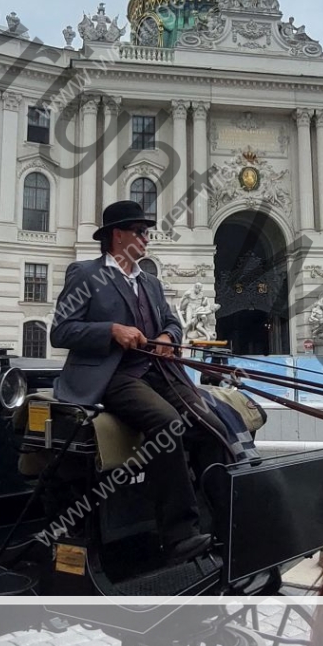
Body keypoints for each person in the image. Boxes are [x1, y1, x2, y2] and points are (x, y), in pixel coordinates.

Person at [50, 199, 213, 560]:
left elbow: (171, 321)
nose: (146, 238)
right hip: (114, 377)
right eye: (140, 232)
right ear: (118, 235)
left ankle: (219, 517)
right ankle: (179, 537)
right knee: (168, 423)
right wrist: (111, 330)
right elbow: (60, 331)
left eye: (147, 232)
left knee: (211, 422)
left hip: (160, 372)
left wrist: (170, 337)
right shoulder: (85, 274)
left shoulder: (151, 282)